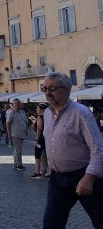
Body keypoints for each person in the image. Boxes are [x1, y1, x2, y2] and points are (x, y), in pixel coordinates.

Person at [41, 72, 103, 228]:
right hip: (57, 179)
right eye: (45, 88)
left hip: (84, 175)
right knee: (51, 223)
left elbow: (98, 148)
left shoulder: (81, 113)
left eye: (52, 88)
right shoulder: (47, 113)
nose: (48, 92)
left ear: (67, 90)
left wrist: (89, 178)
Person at [6, 98, 28, 170]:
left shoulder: (22, 112)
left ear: (20, 104)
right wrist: (9, 134)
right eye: (15, 103)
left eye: (18, 103)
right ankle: (19, 164)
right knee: (18, 149)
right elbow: (8, 123)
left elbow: (25, 121)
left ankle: (15, 164)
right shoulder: (11, 112)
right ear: (13, 104)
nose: (17, 105)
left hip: (22, 132)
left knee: (16, 149)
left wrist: (26, 130)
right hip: (15, 133)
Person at [31, 103, 49, 179]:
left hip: (40, 138)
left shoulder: (39, 117)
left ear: (42, 110)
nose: (36, 110)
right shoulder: (48, 117)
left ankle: (37, 172)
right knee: (46, 155)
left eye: (38, 108)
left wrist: (36, 139)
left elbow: (39, 129)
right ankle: (48, 171)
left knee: (37, 155)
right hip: (46, 137)